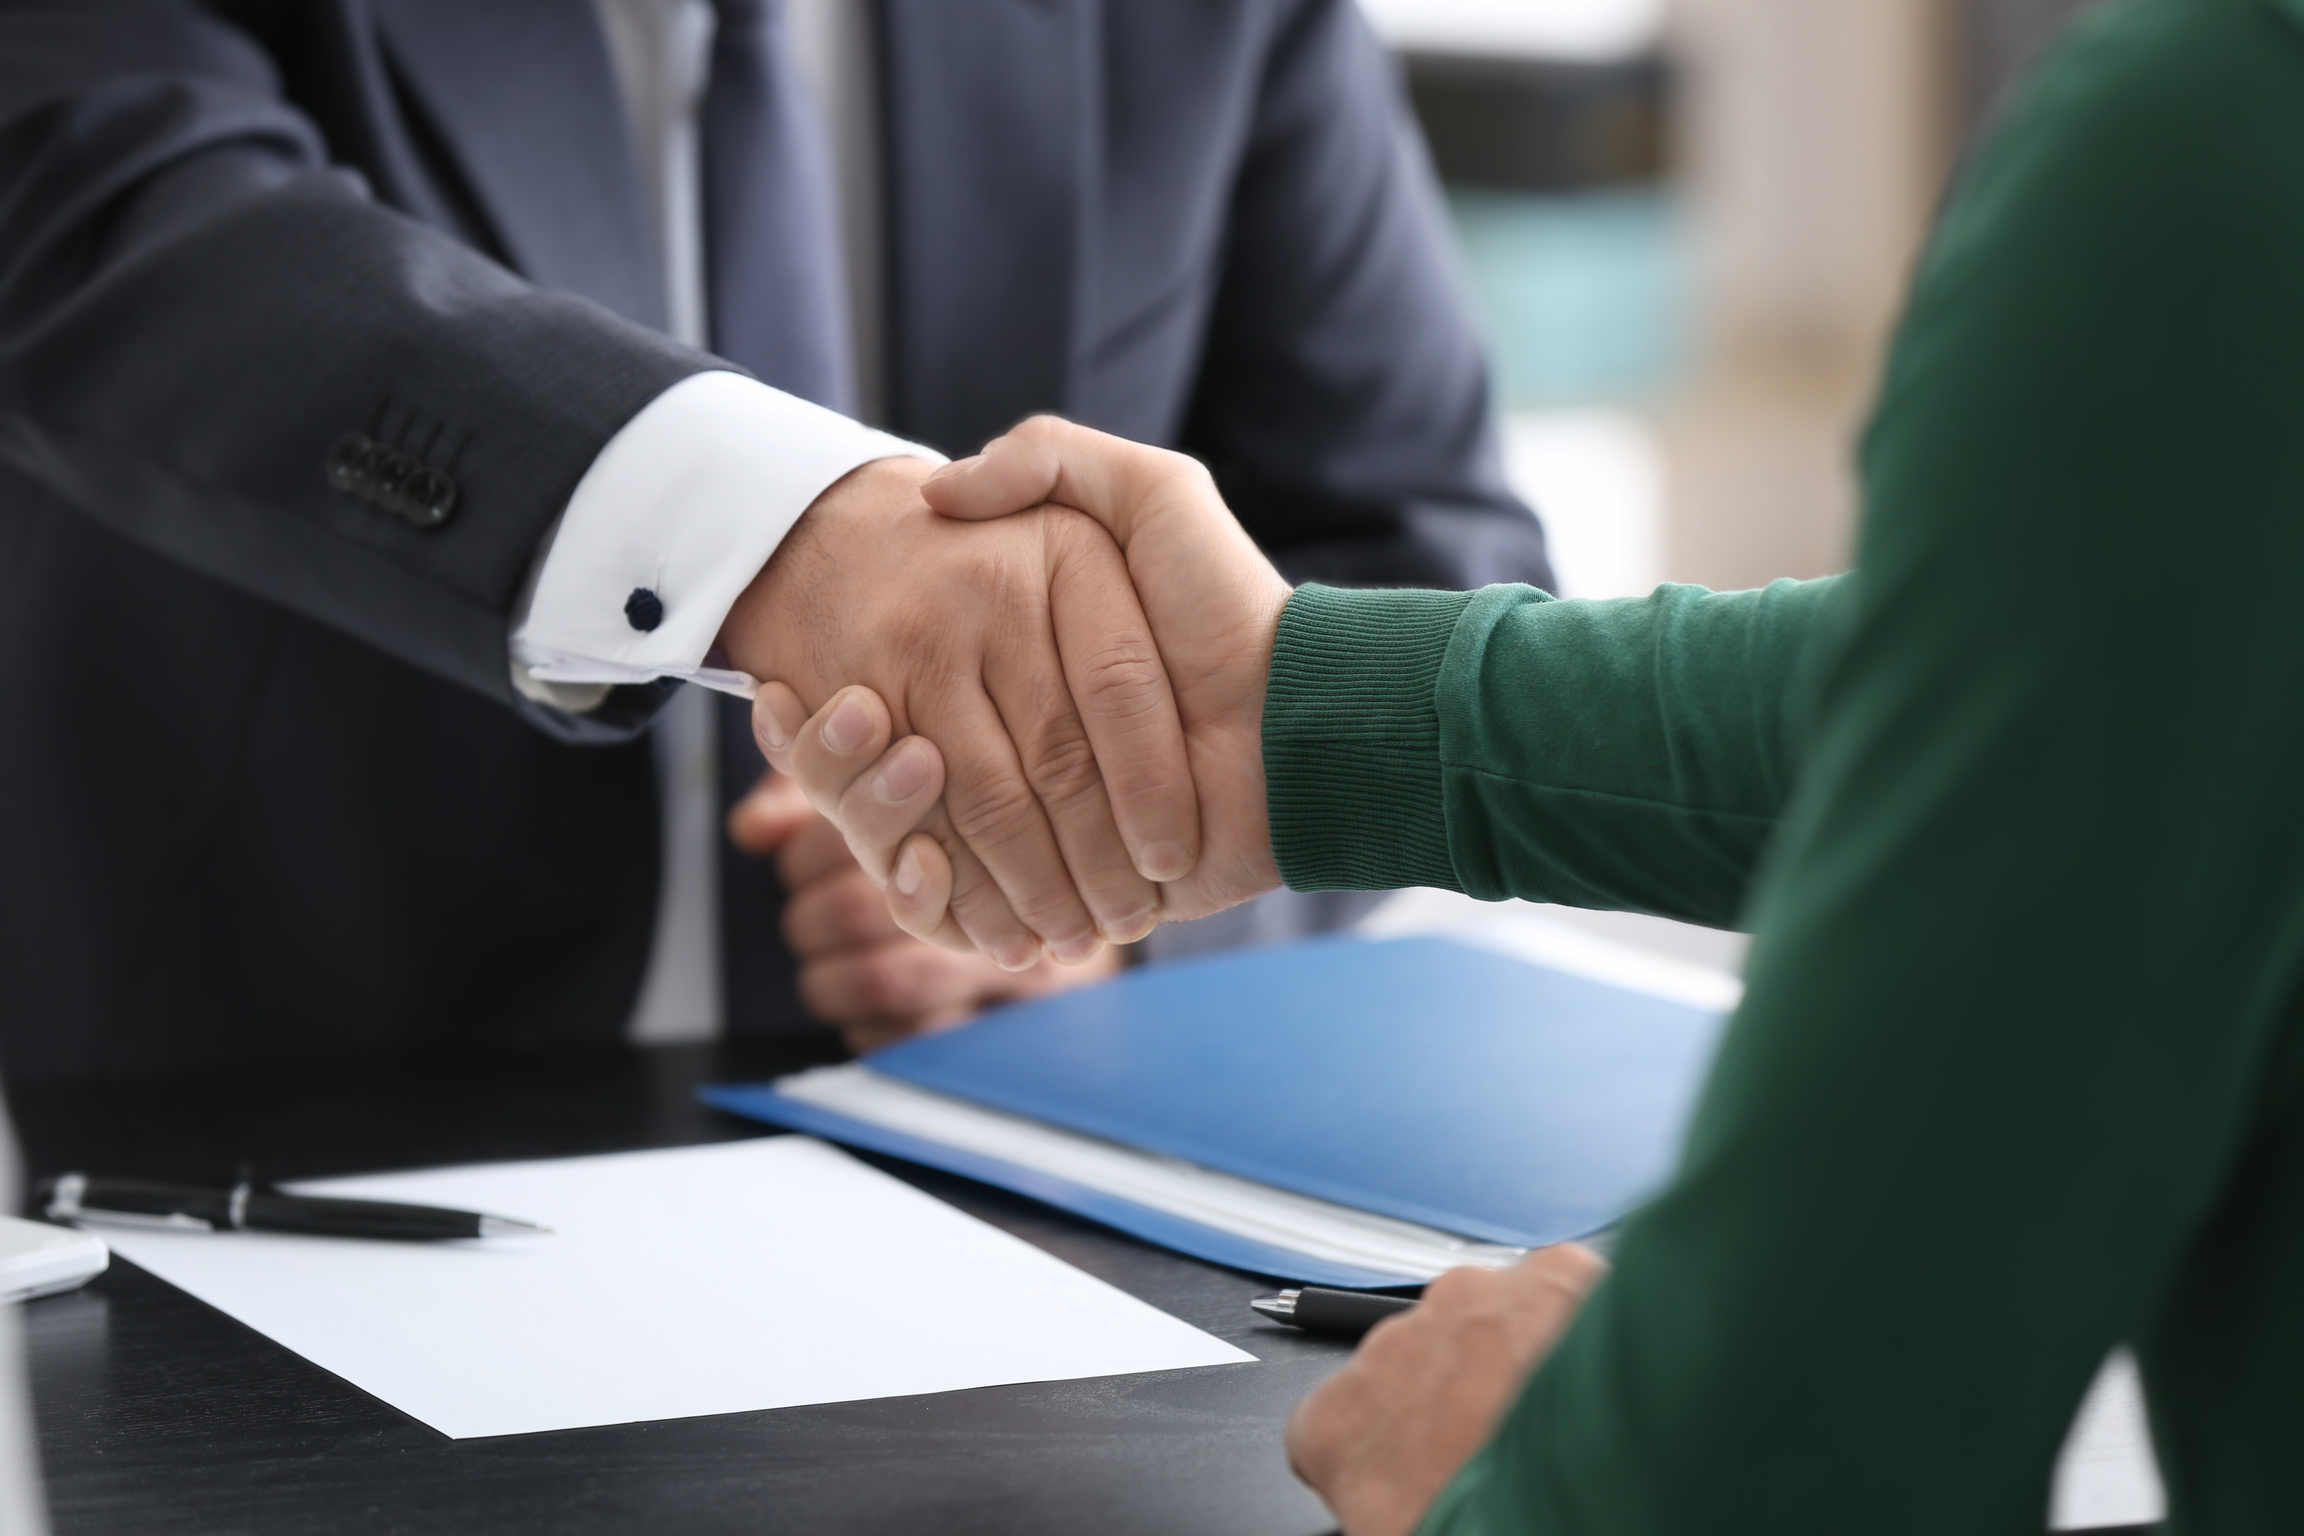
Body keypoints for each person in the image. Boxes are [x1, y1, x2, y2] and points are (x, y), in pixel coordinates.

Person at [767, 0, 2304, 1527]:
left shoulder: (2226, 143)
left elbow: (1785, 1480)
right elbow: (2102, 664)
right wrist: (1311, 720)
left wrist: (1524, 1485)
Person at [0, 0, 1550, 1080]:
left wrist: (1112, 896)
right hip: (292, 1144)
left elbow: (1421, 541)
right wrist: (787, 544)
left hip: (1005, 1212)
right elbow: (111, 215)